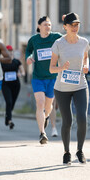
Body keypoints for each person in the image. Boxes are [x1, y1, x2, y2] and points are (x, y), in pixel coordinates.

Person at [49, 12, 90, 165]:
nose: (74, 27)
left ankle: (80, 150)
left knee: (82, 118)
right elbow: (51, 69)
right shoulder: (59, 44)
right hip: (62, 88)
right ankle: (66, 151)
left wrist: (86, 66)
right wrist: (61, 68)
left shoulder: (84, 42)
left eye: (77, 24)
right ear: (65, 27)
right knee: (67, 121)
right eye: (71, 25)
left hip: (80, 85)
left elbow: (86, 58)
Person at [25, 16, 61, 144]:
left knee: (48, 106)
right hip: (38, 78)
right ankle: (42, 133)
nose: (48, 27)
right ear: (39, 26)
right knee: (40, 103)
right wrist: (28, 58)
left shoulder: (56, 37)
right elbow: (28, 50)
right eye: (45, 24)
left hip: (52, 78)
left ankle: (45, 117)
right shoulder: (34, 39)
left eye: (49, 25)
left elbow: (67, 41)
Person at [0, 45, 25, 130]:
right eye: (7, 51)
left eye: (10, 51)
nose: (9, 53)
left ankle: (7, 116)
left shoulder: (16, 62)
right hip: (6, 85)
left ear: (12, 52)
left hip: (16, 85)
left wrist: (21, 74)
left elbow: (23, 71)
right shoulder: (2, 62)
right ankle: (10, 120)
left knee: (12, 103)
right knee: (9, 102)